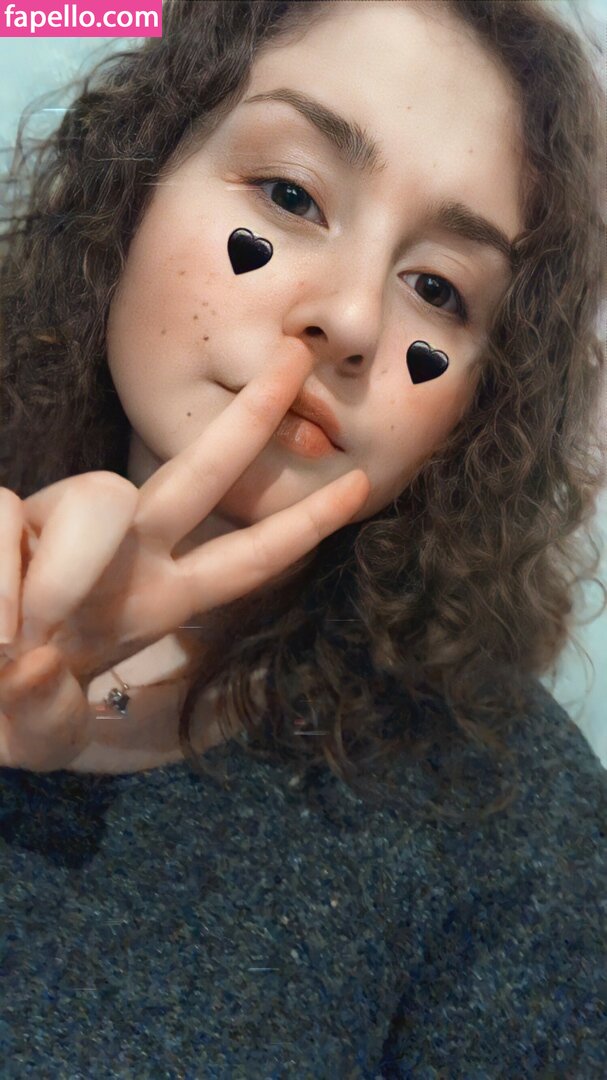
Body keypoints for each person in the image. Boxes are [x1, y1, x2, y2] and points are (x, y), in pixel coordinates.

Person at [0, 1, 605, 1074]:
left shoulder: (500, 807)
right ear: (134, 183)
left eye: (438, 291)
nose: (354, 319)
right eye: (291, 195)